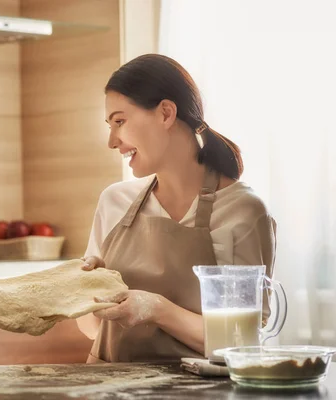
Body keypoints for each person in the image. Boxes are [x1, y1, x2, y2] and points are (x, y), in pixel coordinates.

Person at [77, 54, 277, 362]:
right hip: (106, 390)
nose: (112, 141)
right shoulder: (114, 202)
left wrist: (157, 310)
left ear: (166, 113)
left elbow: (244, 343)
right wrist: (86, 288)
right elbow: (91, 328)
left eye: (119, 121)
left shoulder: (243, 211)